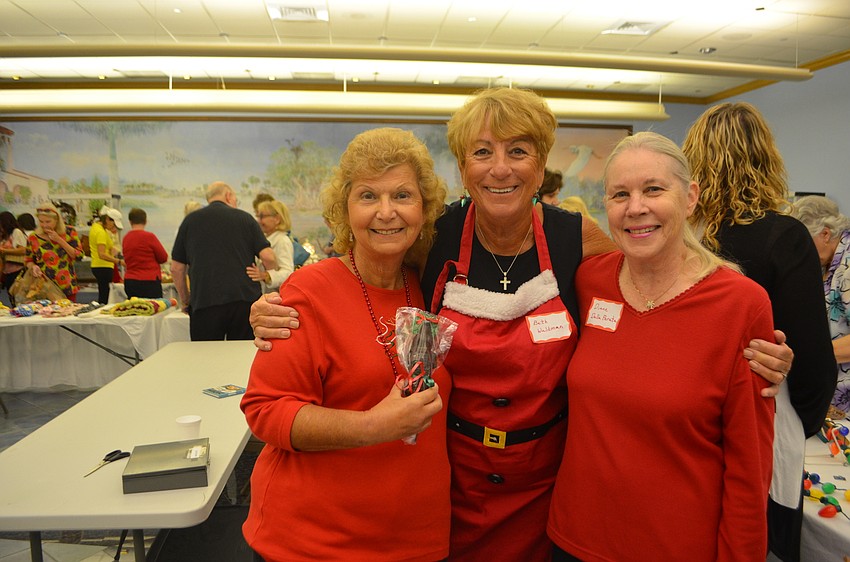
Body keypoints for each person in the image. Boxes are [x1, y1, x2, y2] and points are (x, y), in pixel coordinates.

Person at [248, 89, 794, 560]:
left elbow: (655, 283)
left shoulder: (578, 241)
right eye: (482, 152)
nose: (500, 167)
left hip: (547, 489)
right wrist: (281, 305)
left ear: (541, 164)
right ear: (463, 167)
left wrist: (743, 342)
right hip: (451, 486)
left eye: (518, 151)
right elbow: (368, 269)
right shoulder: (432, 239)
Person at [548, 131, 776, 561]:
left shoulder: (740, 304)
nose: (636, 207)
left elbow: (750, 467)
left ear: (690, 197)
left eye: (653, 189)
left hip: (676, 546)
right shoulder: (590, 281)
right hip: (574, 538)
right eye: (620, 194)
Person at [240, 128, 450, 561]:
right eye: (368, 196)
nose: (386, 212)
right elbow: (265, 410)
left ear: (424, 208)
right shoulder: (308, 291)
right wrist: (374, 426)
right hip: (315, 543)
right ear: (345, 209)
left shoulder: (434, 283)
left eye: (403, 196)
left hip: (417, 538)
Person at [684, 102, 837, 562]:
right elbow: (811, 359)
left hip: (687, 421)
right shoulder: (783, 236)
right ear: (767, 158)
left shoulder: (681, 235)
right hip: (762, 416)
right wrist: (800, 424)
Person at [171, 181, 277, 341]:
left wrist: (186, 300)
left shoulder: (190, 221)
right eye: (236, 199)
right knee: (242, 357)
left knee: (206, 359)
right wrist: (265, 274)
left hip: (204, 301)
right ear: (228, 196)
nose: (235, 203)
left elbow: (176, 268)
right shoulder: (245, 219)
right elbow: (269, 257)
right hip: (244, 301)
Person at [789, 195, 850, 413]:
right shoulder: (831, 262)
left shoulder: (848, 266)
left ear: (825, 233)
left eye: (804, 242)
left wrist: (811, 355)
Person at [25, 203, 83, 301]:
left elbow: (78, 256)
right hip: (44, 287)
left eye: (48, 221)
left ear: (57, 220)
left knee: (68, 314)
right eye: (41, 222)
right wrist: (33, 267)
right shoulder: (33, 237)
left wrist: (59, 240)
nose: (44, 225)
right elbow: (28, 260)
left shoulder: (69, 232)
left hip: (67, 286)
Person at [246, 199, 295, 292]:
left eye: (262, 216)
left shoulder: (282, 241)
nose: (258, 221)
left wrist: (265, 275)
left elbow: (288, 273)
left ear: (277, 219)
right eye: (258, 216)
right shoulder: (265, 238)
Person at [122, 207, 168, 299]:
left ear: (130, 222)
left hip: (131, 281)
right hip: (149, 281)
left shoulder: (126, 238)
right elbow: (163, 257)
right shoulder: (149, 237)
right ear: (145, 221)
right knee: (153, 309)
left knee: (135, 309)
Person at [88, 206, 124, 304]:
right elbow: (102, 254)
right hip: (103, 267)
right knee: (105, 297)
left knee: (104, 294)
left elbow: (109, 249)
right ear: (107, 219)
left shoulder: (97, 228)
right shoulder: (100, 232)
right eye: (113, 224)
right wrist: (119, 261)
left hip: (100, 266)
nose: (113, 227)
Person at [0, 212, 27, 306]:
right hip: (7, 272)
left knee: (19, 298)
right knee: (12, 298)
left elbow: (23, 250)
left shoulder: (16, 232)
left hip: (18, 270)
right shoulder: (4, 236)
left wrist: (4, 250)